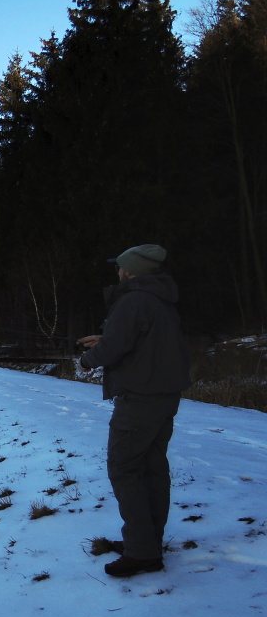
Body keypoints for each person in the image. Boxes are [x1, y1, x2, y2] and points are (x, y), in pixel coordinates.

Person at [77, 244, 191, 578]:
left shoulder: (133, 298)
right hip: (163, 396)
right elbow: (140, 339)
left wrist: (87, 360)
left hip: (140, 399)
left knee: (124, 469)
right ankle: (147, 543)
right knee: (152, 469)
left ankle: (142, 553)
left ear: (131, 270)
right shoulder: (159, 297)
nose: (117, 272)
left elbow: (116, 347)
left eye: (120, 267)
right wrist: (107, 338)